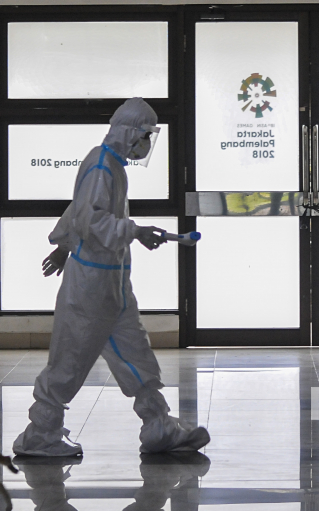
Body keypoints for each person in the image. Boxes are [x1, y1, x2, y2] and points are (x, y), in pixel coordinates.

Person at [13, 97, 210, 457]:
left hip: (113, 284)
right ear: (129, 132)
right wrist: (135, 231)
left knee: (136, 353)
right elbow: (91, 218)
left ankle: (158, 425)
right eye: (145, 135)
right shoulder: (102, 165)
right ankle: (41, 434)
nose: (147, 144)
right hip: (90, 286)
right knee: (70, 360)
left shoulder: (112, 166)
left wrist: (65, 244)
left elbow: (80, 212)